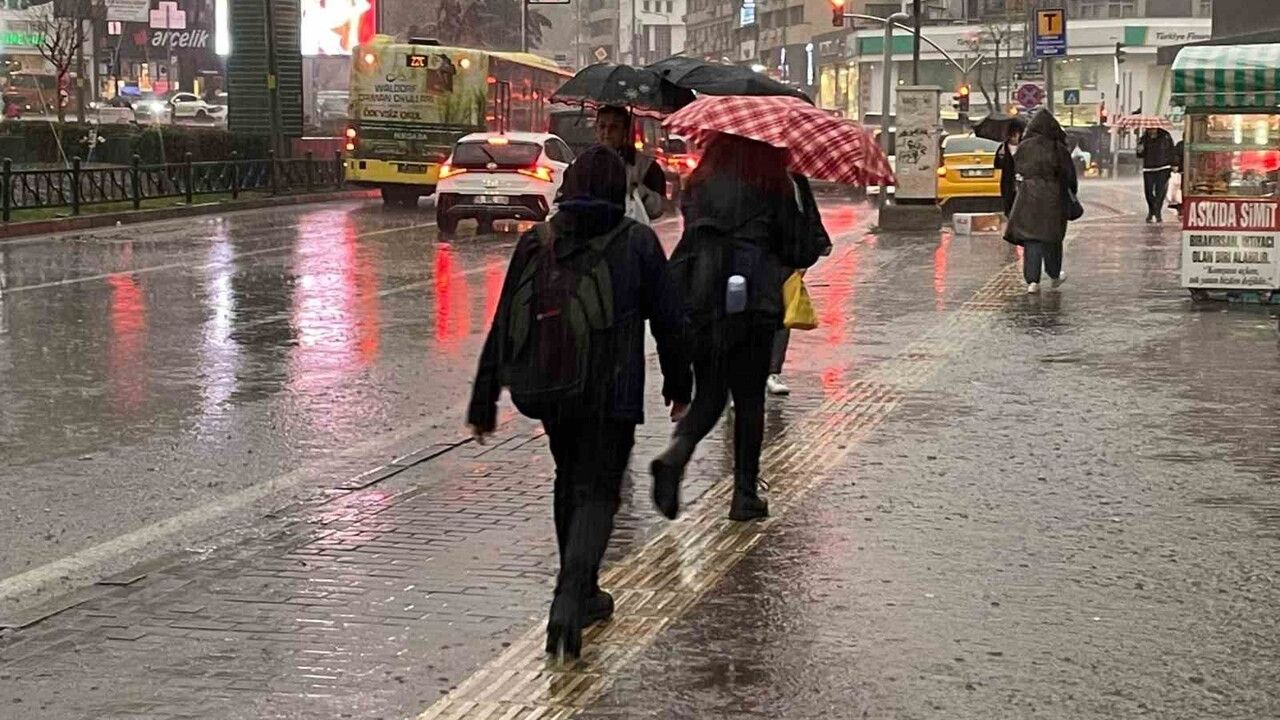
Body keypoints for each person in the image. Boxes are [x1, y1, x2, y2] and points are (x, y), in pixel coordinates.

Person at [467, 146, 691, 659]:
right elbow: (671, 321)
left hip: (552, 389)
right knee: (598, 493)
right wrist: (680, 386)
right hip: (611, 393)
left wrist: (484, 399)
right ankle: (570, 599)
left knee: (570, 480)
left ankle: (584, 591)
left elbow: (505, 323)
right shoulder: (635, 242)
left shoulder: (538, 240)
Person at [650, 134, 826, 522]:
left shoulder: (698, 185)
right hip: (753, 303)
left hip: (703, 298)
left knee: (711, 393)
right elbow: (797, 247)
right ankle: (744, 494)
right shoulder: (773, 184)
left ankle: (676, 455)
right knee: (749, 399)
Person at [768, 175, 831, 397]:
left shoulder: (796, 180)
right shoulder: (744, 176)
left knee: (782, 310)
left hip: (786, 255)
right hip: (752, 253)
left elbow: (808, 212)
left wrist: (819, 241)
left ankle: (772, 371)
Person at [1004, 110, 1078, 294]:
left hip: (1027, 195)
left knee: (1032, 238)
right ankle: (1053, 274)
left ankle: (1032, 281)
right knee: (1052, 237)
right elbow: (1068, 173)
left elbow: (1017, 167)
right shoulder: (1057, 147)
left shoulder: (1024, 146)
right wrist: (1071, 191)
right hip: (1053, 195)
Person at [594, 105, 667, 222]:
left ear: (625, 131)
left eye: (614, 127)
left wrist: (637, 190)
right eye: (602, 126)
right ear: (596, 129)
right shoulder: (583, 163)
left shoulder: (647, 167)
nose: (606, 132)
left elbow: (657, 209)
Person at [1137, 126, 1176, 223]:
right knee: (1148, 191)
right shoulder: (1144, 138)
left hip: (1163, 167)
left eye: (1153, 128)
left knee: (1160, 192)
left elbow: (1172, 150)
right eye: (1149, 129)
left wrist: (1174, 164)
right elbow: (1140, 154)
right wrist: (1140, 150)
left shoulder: (1165, 136)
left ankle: (1157, 212)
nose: (1151, 130)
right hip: (1149, 168)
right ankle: (1152, 210)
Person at [993, 119, 1024, 217]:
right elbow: (997, 165)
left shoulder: (1025, 147)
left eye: (1017, 134)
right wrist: (1001, 158)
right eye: (1012, 134)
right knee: (1009, 208)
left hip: (1022, 183)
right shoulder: (1003, 148)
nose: (1014, 137)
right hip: (1008, 183)